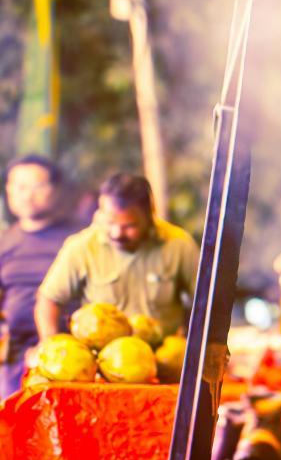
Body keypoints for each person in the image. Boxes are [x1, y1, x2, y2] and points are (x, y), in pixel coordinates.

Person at [36, 172, 200, 339]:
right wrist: (49, 343)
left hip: (164, 357)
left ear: (149, 216)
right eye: (109, 222)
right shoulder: (81, 247)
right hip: (104, 360)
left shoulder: (178, 245)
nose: (116, 233)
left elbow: (206, 302)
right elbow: (49, 299)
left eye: (128, 226)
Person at [0, 155, 85, 395]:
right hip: (15, 358)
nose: (28, 195)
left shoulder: (78, 240)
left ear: (56, 191)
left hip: (72, 358)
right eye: (20, 187)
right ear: (9, 191)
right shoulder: (4, 242)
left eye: (38, 187)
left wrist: (48, 346)